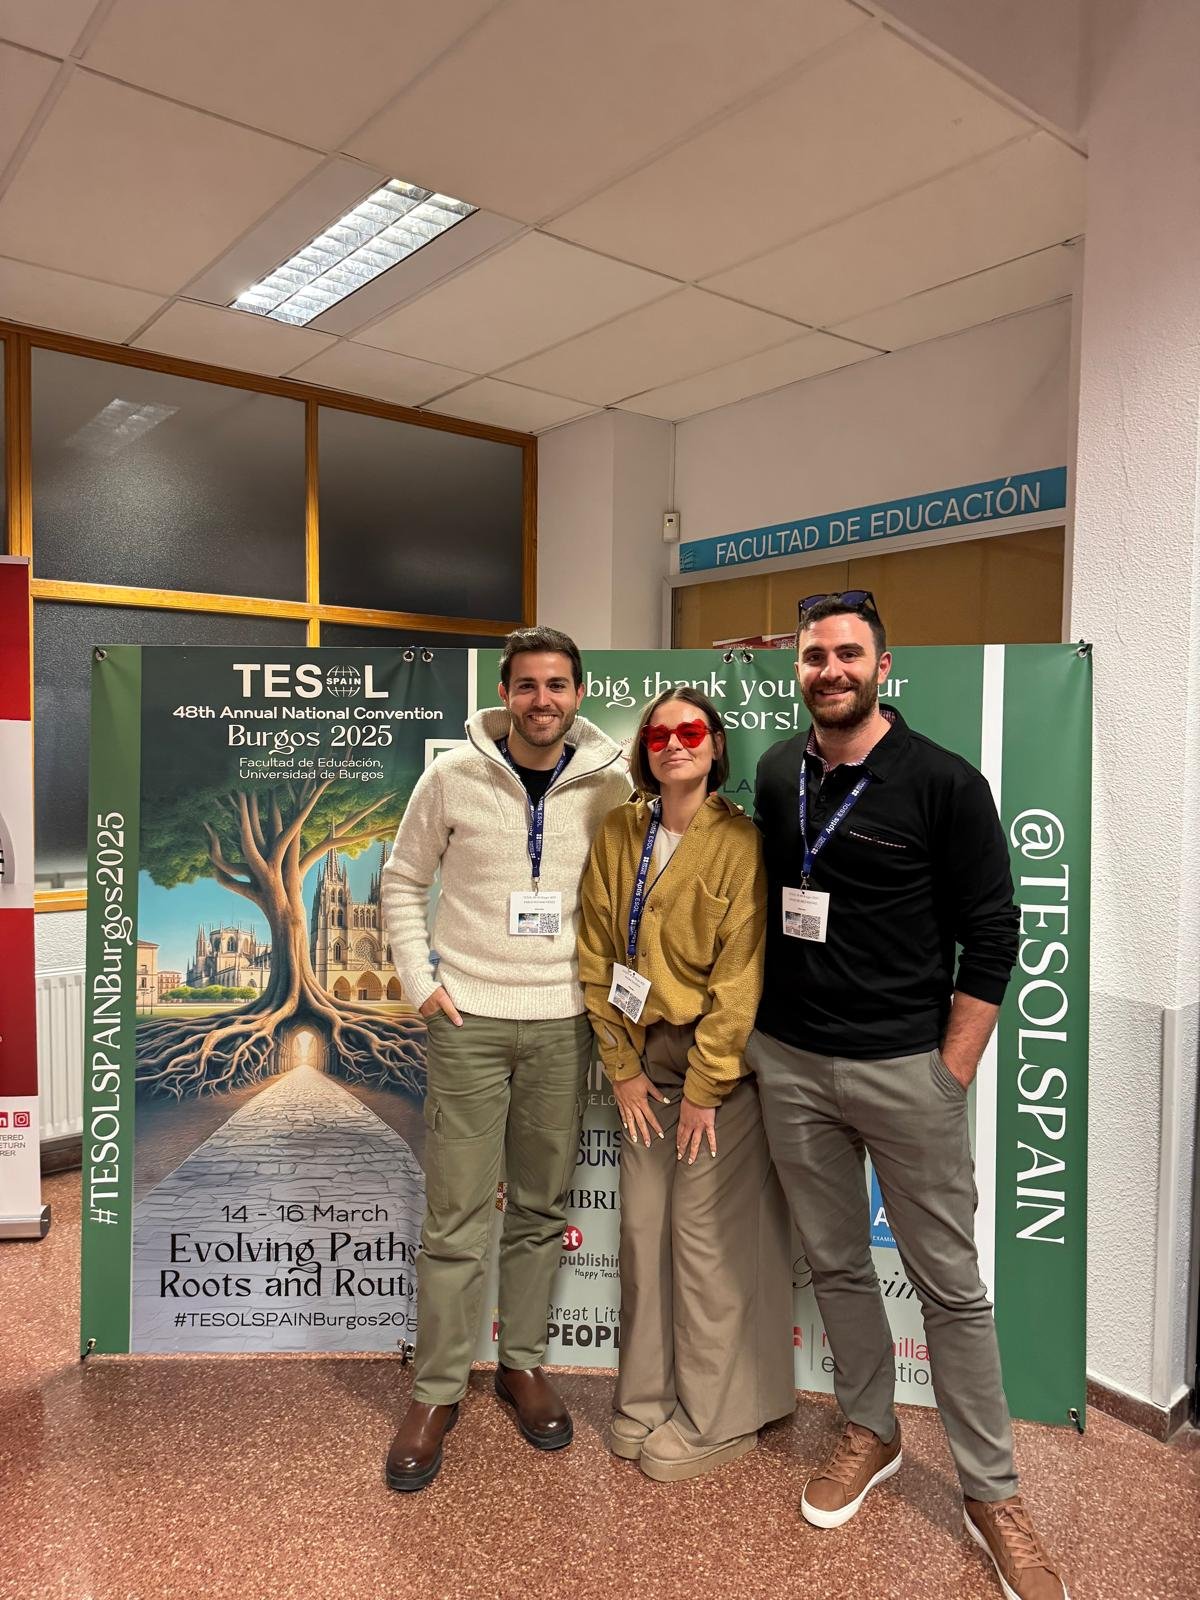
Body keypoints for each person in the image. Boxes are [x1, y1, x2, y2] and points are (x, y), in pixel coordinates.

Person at [746, 592, 1069, 1600]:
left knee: (953, 1291)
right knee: (837, 1264)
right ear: (799, 669)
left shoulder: (946, 783)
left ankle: (993, 1494)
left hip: (906, 1071)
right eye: (815, 656)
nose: (831, 670)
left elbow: (995, 935)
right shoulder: (777, 771)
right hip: (791, 1064)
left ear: (883, 665)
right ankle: (871, 1429)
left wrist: (949, 1071)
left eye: (849, 653)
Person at [379, 625, 630, 1492]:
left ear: (578, 693)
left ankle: (521, 1365)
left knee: (539, 1207)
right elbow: (402, 879)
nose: (542, 700)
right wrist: (421, 983)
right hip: (469, 1021)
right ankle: (435, 1392)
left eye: (557, 684)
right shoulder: (452, 776)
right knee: (455, 1215)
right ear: (505, 694)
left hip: (563, 1023)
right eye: (527, 685)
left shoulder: (611, 784)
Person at [578, 687, 795, 1482]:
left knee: (702, 1239)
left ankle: (718, 1416)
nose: (674, 743)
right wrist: (622, 1069)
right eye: (659, 734)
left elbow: (740, 979)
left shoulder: (740, 844)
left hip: (717, 1072)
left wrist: (706, 1088)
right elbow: (596, 955)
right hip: (641, 1065)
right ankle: (645, 1401)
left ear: (715, 745)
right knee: (642, 1233)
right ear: (644, 749)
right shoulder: (618, 832)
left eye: (691, 731)